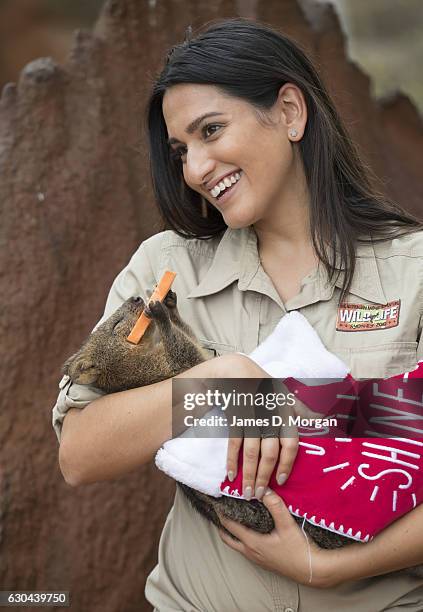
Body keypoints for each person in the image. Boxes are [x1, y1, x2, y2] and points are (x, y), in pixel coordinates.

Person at [53, 18, 423, 612]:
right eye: (181, 150)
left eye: (211, 130)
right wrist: (224, 385)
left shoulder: (414, 270)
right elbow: (80, 452)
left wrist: (329, 568)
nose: (195, 168)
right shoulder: (167, 270)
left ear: (290, 112)